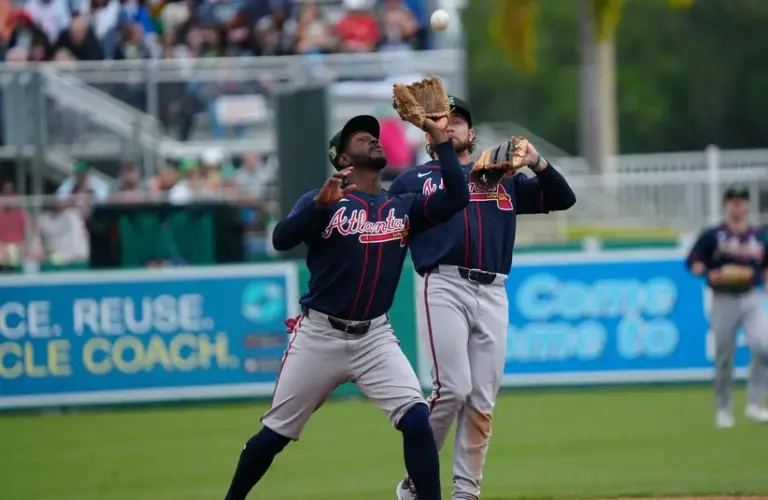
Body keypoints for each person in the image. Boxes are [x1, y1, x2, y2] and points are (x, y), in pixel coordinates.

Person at [222, 113, 470, 500]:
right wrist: (317, 208)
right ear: (341, 159)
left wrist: (440, 140)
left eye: (373, 136)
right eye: (360, 137)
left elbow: (458, 197)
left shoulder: (402, 205)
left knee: (418, 420)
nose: (372, 140)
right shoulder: (325, 201)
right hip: (320, 335)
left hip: (375, 337)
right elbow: (281, 240)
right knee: (273, 436)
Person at [388, 96, 577, 500]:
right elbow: (388, 237)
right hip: (444, 282)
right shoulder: (413, 181)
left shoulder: (501, 177)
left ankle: (466, 492)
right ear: (429, 133)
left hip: (494, 289)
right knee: (452, 388)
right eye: (443, 120)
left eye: (458, 121)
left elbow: (563, 198)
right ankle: (416, 480)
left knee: (481, 398)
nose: (451, 125)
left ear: (471, 134)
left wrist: (536, 161)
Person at [686, 184, 768, 428]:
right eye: (733, 199)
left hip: (751, 295)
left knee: (763, 346)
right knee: (724, 354)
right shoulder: (714, 235)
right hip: (723, 298)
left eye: (741, 200)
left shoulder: (758, 235)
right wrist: (710, 273)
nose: (737, 204)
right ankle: (723, 408)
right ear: (725, 204)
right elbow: (693, 261)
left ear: (747, 204)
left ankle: (755, 403)